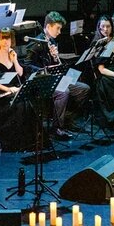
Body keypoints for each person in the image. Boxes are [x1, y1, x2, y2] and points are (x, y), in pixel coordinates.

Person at [20, 11, 91, 139]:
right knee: (63, 92)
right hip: (42, 81)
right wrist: (44, 70)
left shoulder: (52, 41)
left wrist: (54, 58)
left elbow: (55, 65)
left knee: (83, 89)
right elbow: (27, 65)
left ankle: (66, 119)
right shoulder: (36, 43)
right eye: (57, 28)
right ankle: (57, 128)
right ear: (48, 26)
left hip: (54, 78)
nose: (59, 32)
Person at [0, 28, 37, 152]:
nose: (5, 41)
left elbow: (20, 73)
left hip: (12, 89)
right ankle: (16, 143)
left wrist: (15, 60)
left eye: (8, 38)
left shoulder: (12, 53)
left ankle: (29, 141)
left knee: (27, 102)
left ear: (12, 40)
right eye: (3, 38)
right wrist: (8, 89)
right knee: (19, 105)